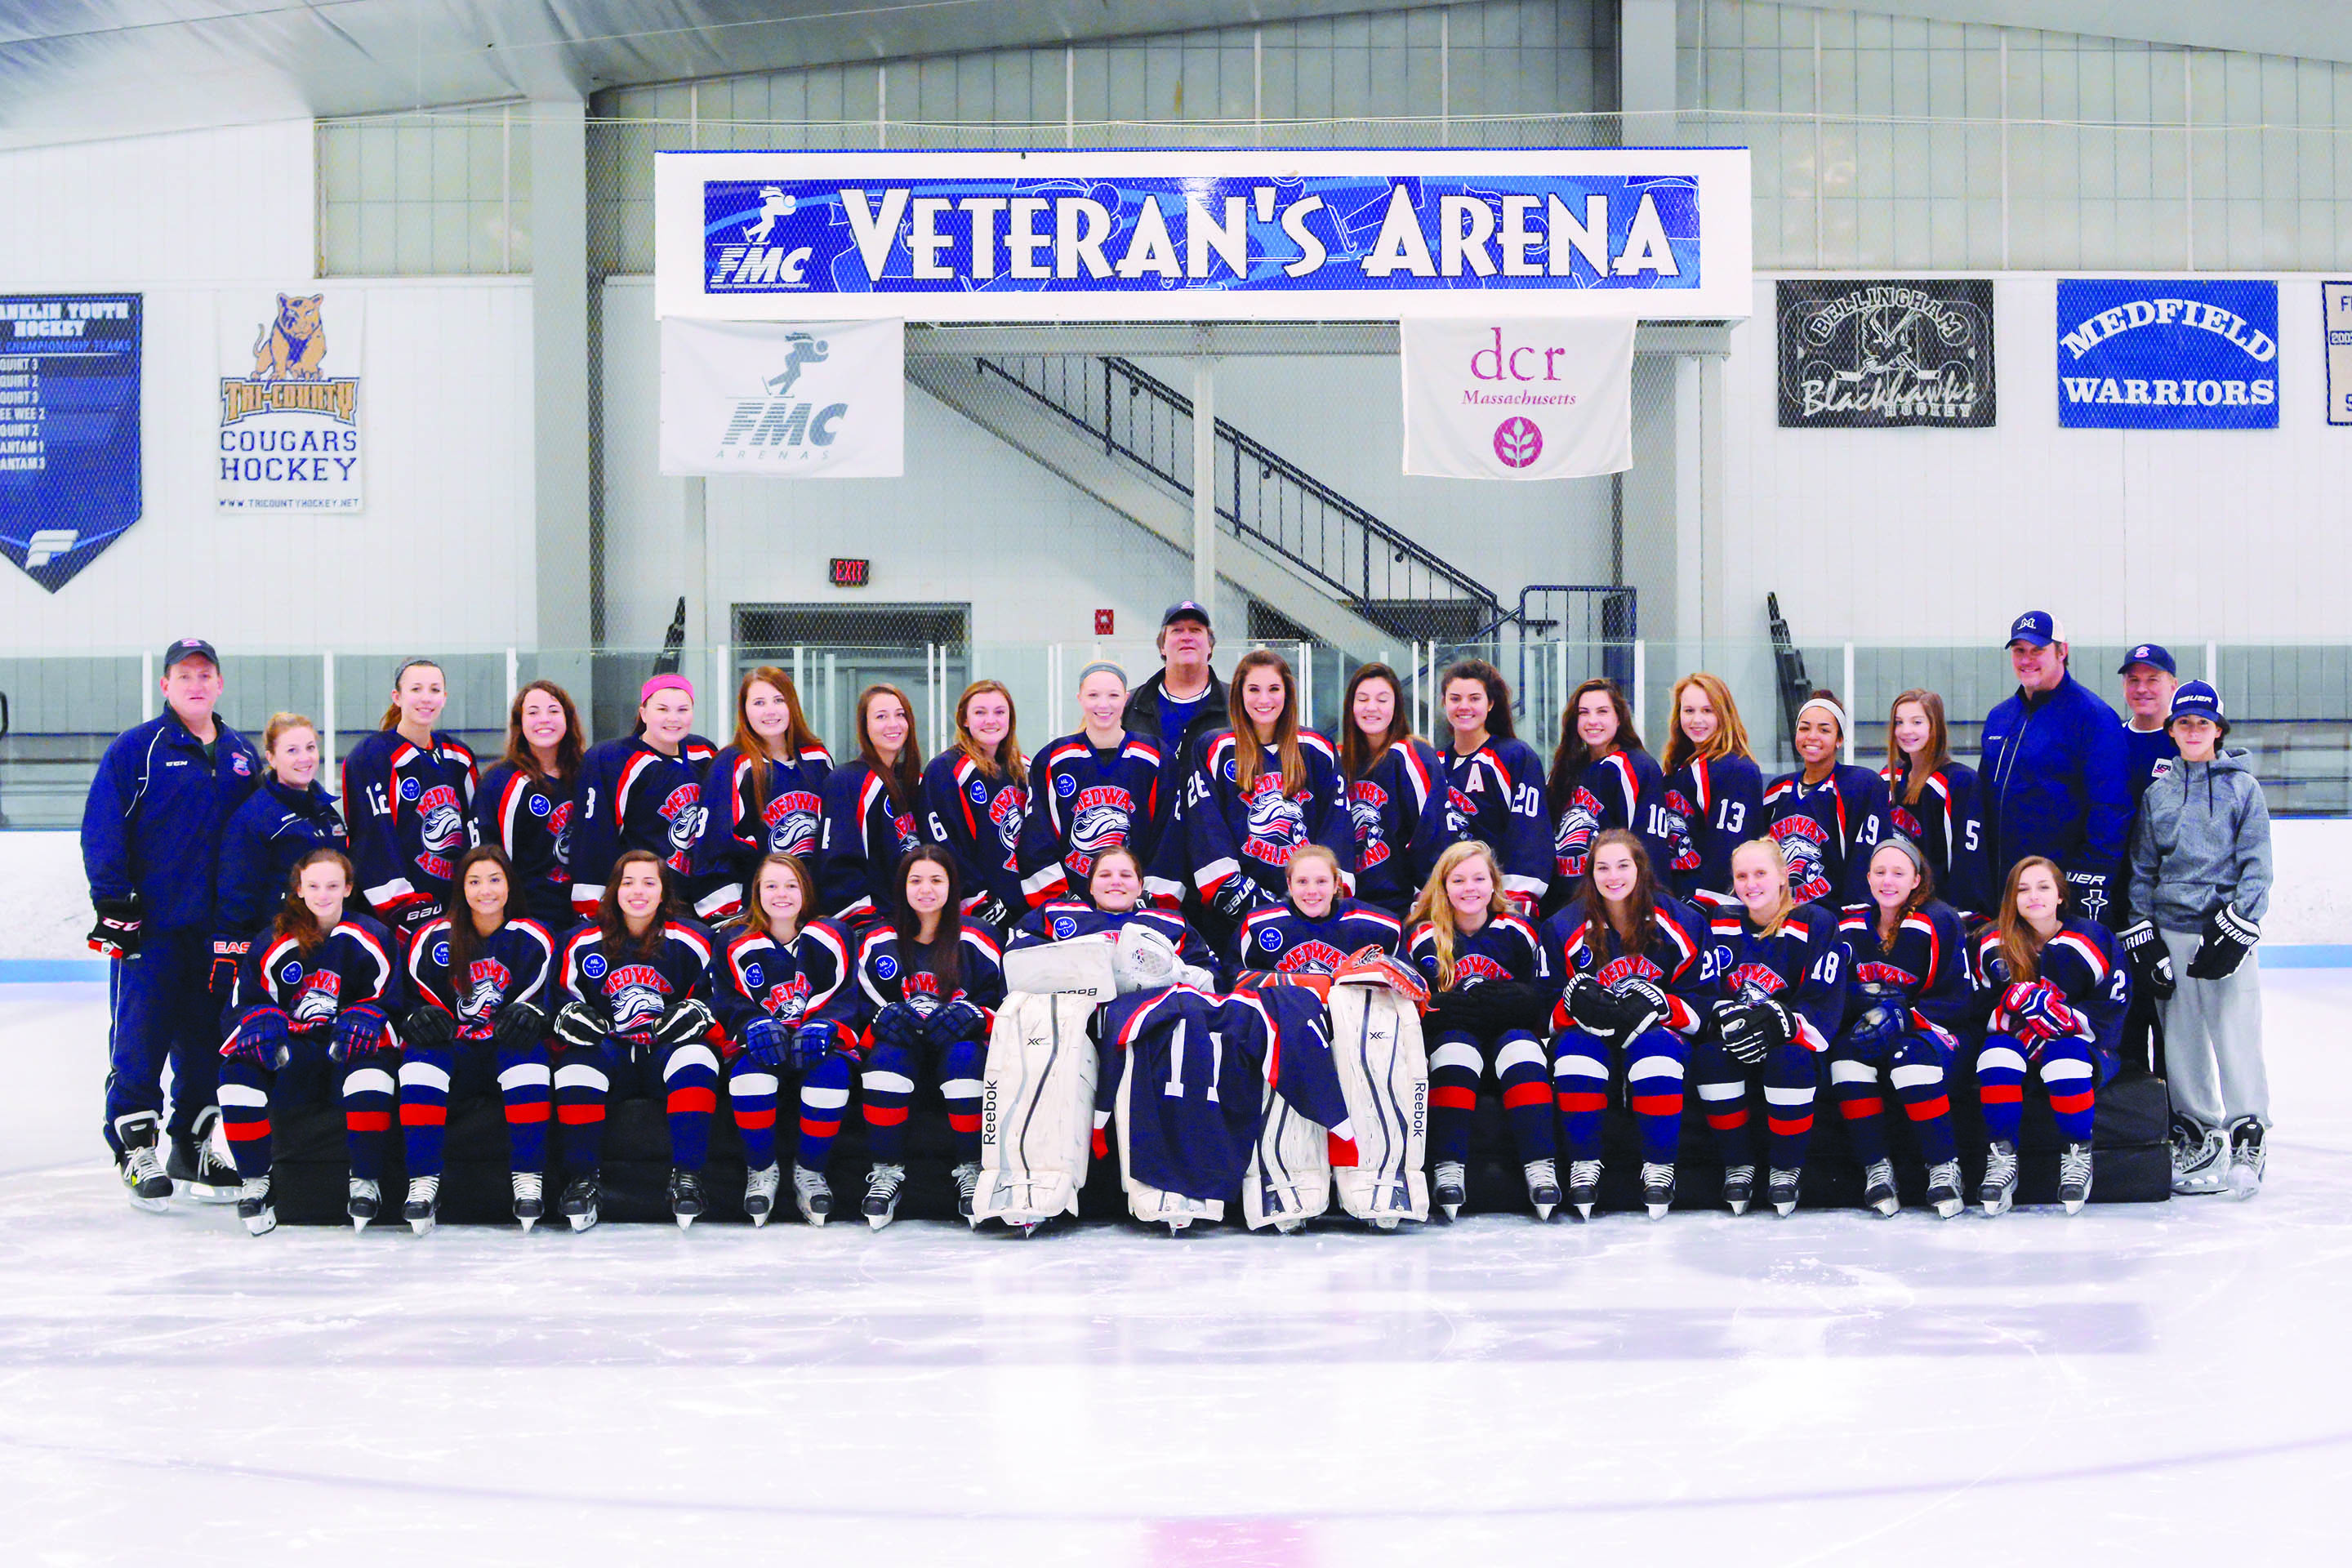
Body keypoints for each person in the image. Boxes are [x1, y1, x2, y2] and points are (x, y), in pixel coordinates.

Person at [81, 636, 265, 1209]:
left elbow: (260, 831)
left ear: (220, 684)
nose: (195, 683)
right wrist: (114, 902)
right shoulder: (138, 749)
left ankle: (192, 1141)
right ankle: (136, 1146)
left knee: (207, 1041)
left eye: (205, 674)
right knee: (141, 1036)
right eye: (184, 675)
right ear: (165, 685)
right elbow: (103, 826)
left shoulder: (240, 755)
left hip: (217, 932)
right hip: (152, 928)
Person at [2123, 682, 2272, 1198]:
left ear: (2218, 730)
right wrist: (2144, 934)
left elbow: (2257, 867)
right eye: (2183, 723)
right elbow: (2142, 869)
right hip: (2172, 932)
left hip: (2223, 934)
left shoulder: (2243, 790)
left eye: (2202, 724)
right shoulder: (2157, 794)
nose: (2192, 731)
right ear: (2171, 730)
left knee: (2235, 1036)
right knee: (2181, 1042)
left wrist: (2238, 926)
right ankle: (2197, 1133)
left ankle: (2247, 1132)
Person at [214, 848, 400, 1235]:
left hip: (346, 1049)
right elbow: (241, 1006)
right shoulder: (273, 940)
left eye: (333, 885)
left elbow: (392, 1002)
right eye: (313, 886)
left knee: (373, 1075)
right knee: (235, 1077)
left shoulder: (374, 936)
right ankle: (256, 1182)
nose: (323, 894)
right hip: (292, 1051)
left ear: (348, 888)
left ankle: (365, 1180)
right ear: (299, 889)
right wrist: (259, 1020)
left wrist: (371, 1016)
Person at [548, 849, 723, 1231]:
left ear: (664, 892)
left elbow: (716, 995)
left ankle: (687, 1177)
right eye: (628, 882)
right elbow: (561, 999)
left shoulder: (695, 939)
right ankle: (583, 1179)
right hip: (611, 1049)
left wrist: (700, 1011)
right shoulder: (580, 941)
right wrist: (568, 1016)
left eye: (649, 882)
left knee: (698, 1058)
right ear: (613, 890)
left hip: (664, 1050)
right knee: (575, 1067)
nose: (638, 891)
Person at [1545, 828, 1714, 1220]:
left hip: (1657, 1034)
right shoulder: (1562, 926)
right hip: (1590, 1034)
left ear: (1640, 869)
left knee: (1656, 1053)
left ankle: (1659, 1168)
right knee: (1575, 1056)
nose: (1613, 876)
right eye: (1602, 867)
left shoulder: (1683, 922)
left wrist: (1663, 1005)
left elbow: (1705, 1002)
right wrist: (1574, 1005)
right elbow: (1542, 1001)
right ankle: (1583, 1164)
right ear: (1590, 873)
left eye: (1622, 865)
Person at [399, 846, 556, 1234]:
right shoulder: (430, 939)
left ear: (509, 885)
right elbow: (408, 1001)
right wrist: (417, 1017)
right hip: (458, 1052)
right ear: (461, 888)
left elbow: (550, 1002)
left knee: (530, 1059)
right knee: (419, 1063)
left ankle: (528, 1178)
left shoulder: (534, 939)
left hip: (505, 1049)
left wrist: (535, 1014)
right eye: (474, 881)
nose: (485, 890)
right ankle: (423, 1182)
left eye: (494, 880)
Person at [849, 846, 1008, 1227]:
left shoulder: (980, 937)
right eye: (915, 880)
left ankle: (972, 1172)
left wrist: (975, 1015)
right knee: (885, 1061)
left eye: (936, 880)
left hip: (955, 1049)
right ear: (901, 886)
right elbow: (858, 1004)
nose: (926, 889)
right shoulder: (876, 939)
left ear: (952, 886)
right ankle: (886, 1172)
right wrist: (881, 1017)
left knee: (965, 1058)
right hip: (903, 1048)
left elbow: (1007, 1002)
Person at [1693, 840, 1847, 1218]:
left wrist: (1784, 1023)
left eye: (1761, 873)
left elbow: (1823, 1000)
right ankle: (1738, 1165)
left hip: (1792, 1047)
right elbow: (1704, 989)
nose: (1751, 884)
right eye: (1742, 876)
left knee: (1789, 1061)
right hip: (1739, 1043)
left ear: (1783, 876)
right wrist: (1724, 1017)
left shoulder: (1817, 922)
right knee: (1712, 1057)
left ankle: (1784, 1168)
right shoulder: (1720, 923)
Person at [1971, 855, 2130, 1216]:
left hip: (2081, 1042)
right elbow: (1975, 1007)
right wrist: (2016, 1014)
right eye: (2023, 889)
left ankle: (2077, 1152)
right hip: (2014, 1041)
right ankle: (2002, 1157)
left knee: (2065, 1062)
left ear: (2060, 895)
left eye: (2044, 887)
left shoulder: (2092, 937)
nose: (2034, 896)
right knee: (1996, 1058)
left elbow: (2113, 1005)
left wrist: (2062, 1018)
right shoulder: (1990, 942)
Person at [1406, 840, 1554, 1220]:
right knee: (1455, 1052)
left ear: (1493, 884)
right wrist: (1483, 1004)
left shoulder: (1519, 930)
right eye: (1458, 879)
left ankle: (1541, 1167)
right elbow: (1424, 1008)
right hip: (1455, 1037)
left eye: (1478, 878)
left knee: (1523, 1051)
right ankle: (1447, 1167)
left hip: (1511, 1034)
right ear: (1443, 885)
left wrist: (1477, 1005)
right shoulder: (1423, 936)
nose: (1469, 887)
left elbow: (1535, 999)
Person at [709, 852, 858, 1227]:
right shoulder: (732, 940)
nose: (781, 894)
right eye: (771, 886)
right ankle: (761, 1170)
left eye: (791, 885)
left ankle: (810, 1171)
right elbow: (727, 1000)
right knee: (747, 1079)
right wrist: (753, 1024)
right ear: (756, 891)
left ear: (805, 890)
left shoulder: (834, 935)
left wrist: (826, 1026)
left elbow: (848, 995)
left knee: (832, 1079)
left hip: (817, 1044)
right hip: (763, 1045)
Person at [1830, 840, 1975, 1219]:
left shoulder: (1939, 920)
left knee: (1908, 1060)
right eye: (1880, 872)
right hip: (1880, 1029)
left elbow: (1963, 1000)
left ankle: (1944, 1166)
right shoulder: (1850, 924)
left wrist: (1905, 1016)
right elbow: (1837, 992)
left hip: (1936, 1031)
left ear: (1915, 879)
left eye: (1898, 873)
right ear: (1868, 878)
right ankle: (1876, 1168)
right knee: (1846, 1058)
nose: (1888, 881)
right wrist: (1863, 1007)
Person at [1979, 610, 2132, 925]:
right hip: (2005, 890)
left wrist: (2087, 878)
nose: (2027, 659)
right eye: (2020, 651)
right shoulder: (2000, 717)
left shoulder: (2093, 717)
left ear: (2062, 652)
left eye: (2038, 650)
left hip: (2060, 895)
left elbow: (2111, 808)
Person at [1183, 648, 1354, 927]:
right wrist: (1247, 902)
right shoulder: (1214, 749)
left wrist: (1317, 896)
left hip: (1311, 911)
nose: (1264, 699)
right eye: (1254, 689)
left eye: (1274, 688)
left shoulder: (1317, 749)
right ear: (1239, 693)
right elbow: (1205, 832)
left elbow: (1337, 829)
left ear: (1287, 692)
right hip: (1235, 919)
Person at [341, 657, 480, 947]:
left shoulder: (459, 756)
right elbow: (373, 838)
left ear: (444, 697)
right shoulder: (374, 755)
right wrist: (402, 907)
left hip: (455, 909)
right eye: (416, 689)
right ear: (397, 697)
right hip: (399, 918)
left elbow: (476, 832)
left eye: (434, 689)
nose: (426, 698)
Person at [215, 712, 347, 1011]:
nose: (305, 758)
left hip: (329, 949)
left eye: (310, 748)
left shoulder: (328, 812)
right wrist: (235, 952)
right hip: (280, 950)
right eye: (292, 750)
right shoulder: (254, 818)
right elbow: (237, 892)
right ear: (271, 758)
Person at [1018, 662, 1173, 909]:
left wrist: (1150, 900)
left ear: (1126, 699)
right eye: (1093, 695)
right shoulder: (1054, 759)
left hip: (1137, 905)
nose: (1103, 704)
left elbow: (1168, 837)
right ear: (1080, 699)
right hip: (1070, 907)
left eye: (1113, 695)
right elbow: (1037, 837)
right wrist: (1061, 903)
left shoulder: (1155, 756)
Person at [571, 674, 719, 918]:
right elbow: (594, 836)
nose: (673, 718)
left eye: (683, 709)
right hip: (639, 901)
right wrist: (593, 906)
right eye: (662, 709)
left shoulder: (703, 752)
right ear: (643, 712)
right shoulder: (613, 759)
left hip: (692, 900)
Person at [693, 667, 831, 923]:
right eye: (759, 703)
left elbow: (831, 841)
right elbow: (716, 845)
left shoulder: (817, 760)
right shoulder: (732, 764)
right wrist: (729, 918)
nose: (770, 710)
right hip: (754, 915)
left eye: (779, 700)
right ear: (744, 711)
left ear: (792, 705)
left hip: (811, 909)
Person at [1336, 662, 1454, 915]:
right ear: (1351, 706)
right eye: (1363, 699)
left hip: (1399, 906)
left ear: (1396, 706)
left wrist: (1431, 902)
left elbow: (1431, 834)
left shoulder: (1413, 755)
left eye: (1382, 699)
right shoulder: (1338, 759)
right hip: (1345, 906)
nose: (1371, 708)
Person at [1435, 658, 1552, 913]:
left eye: (1474, 699)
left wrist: (1514, 899)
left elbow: (1530, 834)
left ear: (1490, 704)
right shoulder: (1436, 764)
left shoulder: (1514, 756)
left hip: (1499, 903)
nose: (1464, 706)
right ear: (1444, 703)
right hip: (1449, 901)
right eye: (1455, 699)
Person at [1762, 691, 1890, 907]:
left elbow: (1866, 861)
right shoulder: (1777, 790)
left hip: (1832, 919)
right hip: (1781, 916)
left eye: (1824, 730)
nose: (1812, 736)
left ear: (1839, 739)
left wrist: (1854, 920)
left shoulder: (1860, 785)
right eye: (1804, 728)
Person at [474, 680, 585, 930]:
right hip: (525, 920)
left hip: (582, 917)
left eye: (554, 711)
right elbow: (487, 858)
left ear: (568, 719)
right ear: (519, 723)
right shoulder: (500, 782)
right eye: (533, 712)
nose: (544, 719)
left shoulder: (586, 776)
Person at [1544, 677, 1666, 903]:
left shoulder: (1635, 767)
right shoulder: (1565, 769)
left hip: (1612, 903)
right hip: (1564, 902)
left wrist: (1645, 906)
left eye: (1602, 712)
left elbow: (1647, 845)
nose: (1592, 721)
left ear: (1619, 718)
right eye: (1584, 713)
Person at [1011, 846, 1218, 978]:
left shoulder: (1171, 923)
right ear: (1090, 887)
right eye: (1105, 875)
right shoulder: (1055, 913)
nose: (1116, 881)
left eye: (1126, 875)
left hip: (1149, 1018)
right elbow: (1018, 960)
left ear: (1140, 887)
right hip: (1072, 1016)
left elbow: (1208, 974)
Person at [922, 679, 1029, 927]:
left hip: (1021, 904)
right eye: (980, 712)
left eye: (999, 712)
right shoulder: (945, 769)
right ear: (965, 720)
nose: (991, 720)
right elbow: (943, 845)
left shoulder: (1022, 769)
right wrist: (980, 901)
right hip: (976, 913)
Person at [817, 684, 926, 922]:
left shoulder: (915, 782)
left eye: (900, 715)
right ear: (865, 726)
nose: (893, 724)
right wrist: (865, 924)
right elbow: (838, 864)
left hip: (917, 920)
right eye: (881, 717)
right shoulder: (846, 780)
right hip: (874, 925)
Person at [1658, 672, 1765, 908]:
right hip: (1674, 898)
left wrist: (1701, 905)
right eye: (1689, 711)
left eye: (1708, 711)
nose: (1697, 720)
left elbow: (1729, 853)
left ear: (1724, 714)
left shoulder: (1736, 769)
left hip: (1708, 910)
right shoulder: (1676, 767)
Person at [1880, 689, 1990, 918]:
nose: (1906, 731)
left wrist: (1961, 916)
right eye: (1899, 722)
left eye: (1917, 722)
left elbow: (1969, 861)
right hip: (1896, 910)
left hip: (1940, 914)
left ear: (1935, 726)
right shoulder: (1889, 778)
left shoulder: (1958, 782)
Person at [1232, 844, 1403, 978]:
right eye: (1302, 882)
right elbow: (1233, 980)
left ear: (1336, 884)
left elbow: (1408, 981)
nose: (1312, 891)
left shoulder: (1380, 927)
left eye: (1321, 881)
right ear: (1289, 885)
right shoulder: (1257, 925)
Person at [1124, 600, 1227, 764]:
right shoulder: (1131, 705)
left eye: (1195, 630)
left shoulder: (1236, 702)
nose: (1186, 637)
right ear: (1162, 646)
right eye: (1177, 630)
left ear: (1210, 646)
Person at [2118, 644, 2183, 812]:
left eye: (2152, 680)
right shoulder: (2112, 740)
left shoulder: (2187, 744)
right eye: (2134, 680)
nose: (2141, 689)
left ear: (2173, 686)